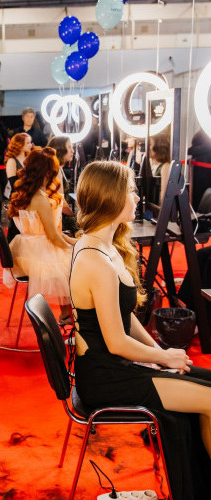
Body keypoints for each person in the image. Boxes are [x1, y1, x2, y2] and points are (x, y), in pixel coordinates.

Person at [69, 160, 211, 500]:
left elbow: (125, 318)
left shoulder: (104, 246)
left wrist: (158, 355)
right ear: (112, 198)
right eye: (131, 191)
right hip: (106, 378)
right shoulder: (95, 259)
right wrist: (162, 357)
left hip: (113, 366)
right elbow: (117, 342)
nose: (136, 198)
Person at [5, 147, 76, 321]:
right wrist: (73, 248)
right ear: (48, 173)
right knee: (75, 264)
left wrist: (71, 242)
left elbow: (52, 233)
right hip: (37, 253)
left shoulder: (28, 193)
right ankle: (69, 314)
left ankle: (67, 313)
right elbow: (53, 236)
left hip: (27, 248)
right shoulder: (40, 198)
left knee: (71, 258)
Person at [4, 133, 32, 243]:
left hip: (28, 196)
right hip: (18, 198)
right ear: (20, 145)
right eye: (28, 143)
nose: (31, 145)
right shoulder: (12, 161)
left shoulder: (29, 159)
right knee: (16, 230)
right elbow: (13, 184)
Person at [149, 131, 171, 204]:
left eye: (150, 144)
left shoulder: (166, 166)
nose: (148, 147)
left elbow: (164, 197)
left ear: (158, 147)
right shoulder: (153, 165)